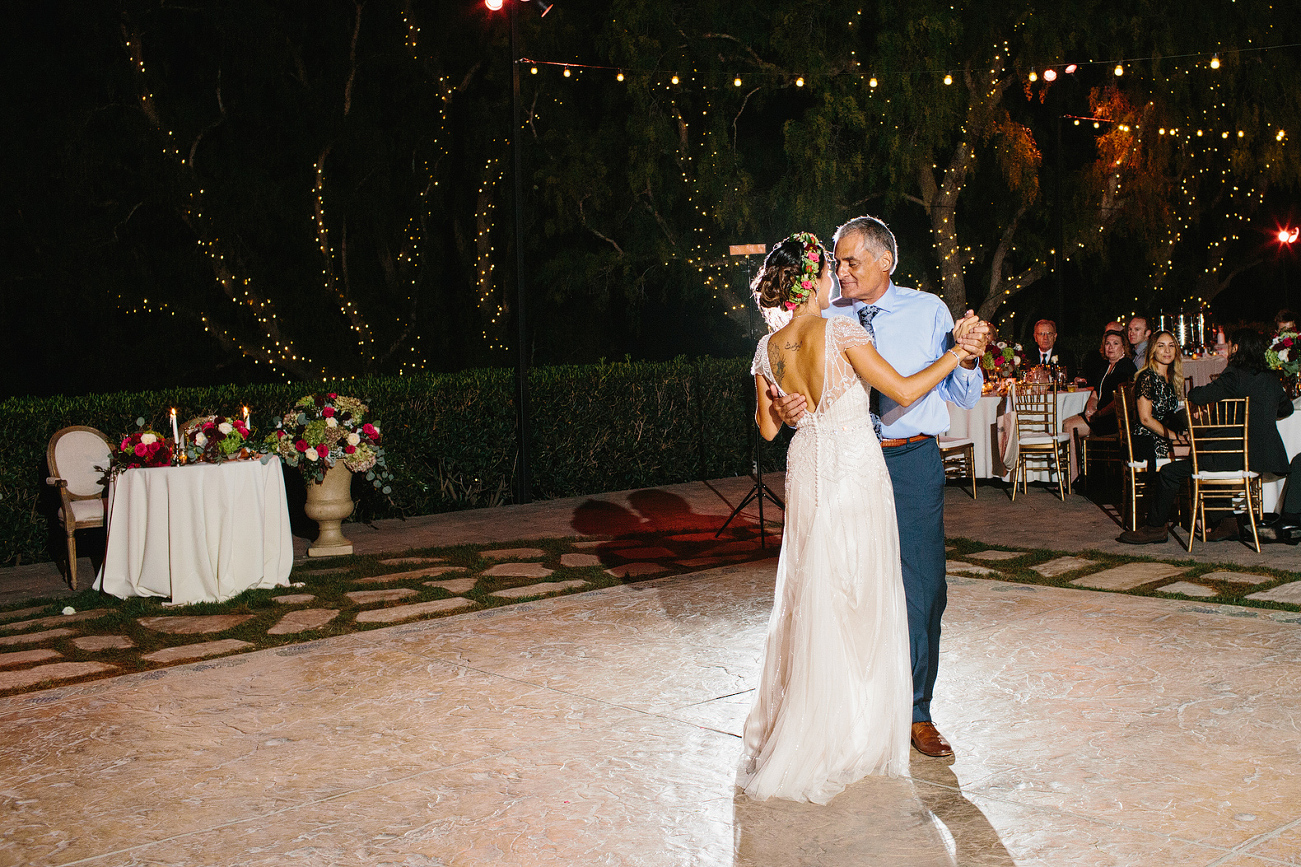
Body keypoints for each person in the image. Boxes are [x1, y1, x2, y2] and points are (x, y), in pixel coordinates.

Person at [741, 231, 981, 803]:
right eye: (830, 268)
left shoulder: (769, 346)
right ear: (814, 280)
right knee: (861, 594)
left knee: (813, 591)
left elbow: (770, 429)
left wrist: (780, 403)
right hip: (851, 468)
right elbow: (898, 387)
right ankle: (859, 725)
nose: (837, 277)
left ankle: (817, 717)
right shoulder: (840, 328)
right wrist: (955, 355)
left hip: (807, 467)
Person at [1119, 328, 1293, 544]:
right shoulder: (1270, 377)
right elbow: (1287, 411)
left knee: (1171, 472)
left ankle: (1155, 529)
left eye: (1229, 345)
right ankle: (1227, 524)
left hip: (1232, 455)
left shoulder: (1234, 374)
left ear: (1236, 348)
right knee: (1204, 460)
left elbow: (1198, 396)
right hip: (1262, 458)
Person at [1062, 330, 1137, 482]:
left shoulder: (1126, 367)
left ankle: (1073, 477)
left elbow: (1121, 400)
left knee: (1070, 427)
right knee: (1065, 423)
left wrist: (1099, 414)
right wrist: (1091, 407)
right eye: (1108, 343)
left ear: (1124, 347)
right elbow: (1096, 394)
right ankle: (1076, 473)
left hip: (1114, 419)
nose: (1111, 347)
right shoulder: (1106, 367)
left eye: (1115, 344)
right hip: (1100, 415)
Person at [1128, 331, 1189, 490]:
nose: (1167, 351)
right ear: (1153, 350)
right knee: (1192, 455)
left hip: (1162, 434)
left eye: (1171, 346)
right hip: (1146, 439)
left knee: (1198, 448)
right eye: (1161, 346)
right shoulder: (1147, 377)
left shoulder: (1171, 377)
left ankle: (1188, 503)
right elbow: (1145, 419)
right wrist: (1175, 436)